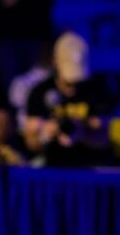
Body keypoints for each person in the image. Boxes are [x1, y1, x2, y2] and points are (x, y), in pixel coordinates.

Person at [24, 32, 113, 166]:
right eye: (69, 82)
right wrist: (46, 135)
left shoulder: (97, 91)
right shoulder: (39, 93)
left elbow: (105, 138)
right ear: (55, 63)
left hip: (92, 167)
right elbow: (31, 142)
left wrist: (83, 133)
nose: (73, 87)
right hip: (54, 168)